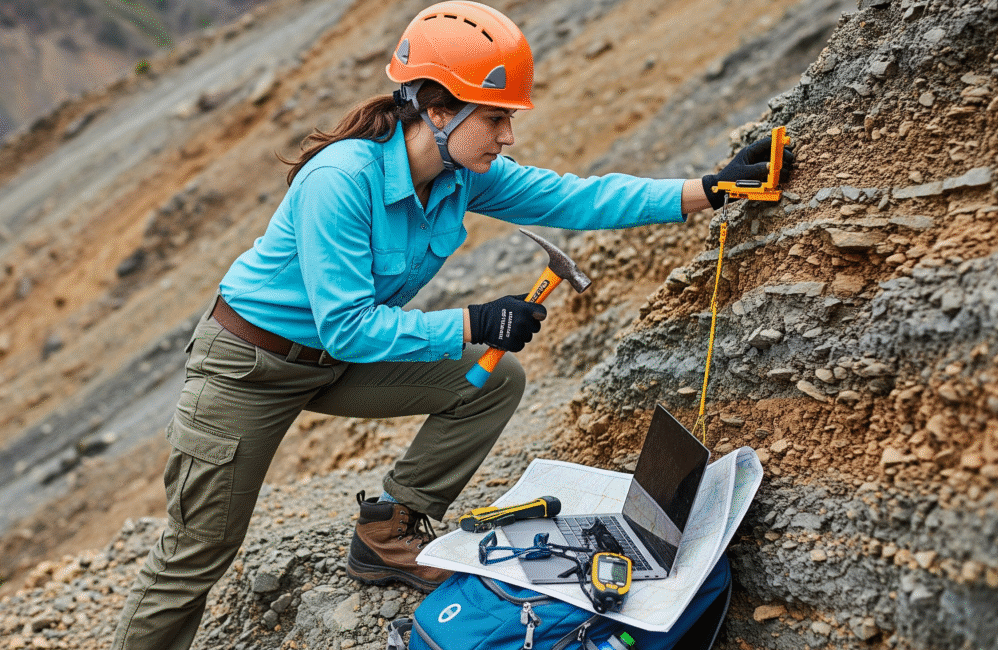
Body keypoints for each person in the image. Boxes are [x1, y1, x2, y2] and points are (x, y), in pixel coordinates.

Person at [110, 2, 792, 649]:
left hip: (332, 361)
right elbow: (347, 327)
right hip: (249, 369)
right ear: (439, 110)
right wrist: (475, 320)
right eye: (495, 118)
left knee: (490, 385)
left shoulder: (461, 175)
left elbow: (573, 196)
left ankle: (387, 531)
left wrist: (706, 190)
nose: (508, 136)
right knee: (196, 555)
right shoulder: (341, 180)